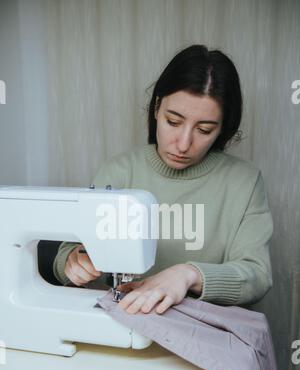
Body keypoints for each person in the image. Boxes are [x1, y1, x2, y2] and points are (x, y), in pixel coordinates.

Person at [53, 44, 273, 315]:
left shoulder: (244, 182)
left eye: (204, 129)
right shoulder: (119, 171)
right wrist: (73, 262)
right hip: (123, 325)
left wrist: (188, 275)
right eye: (173, 121)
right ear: (157, 108)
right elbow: (68, 250)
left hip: (199, 336)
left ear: (222, 129)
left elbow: (258, 275)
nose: (183, 144)